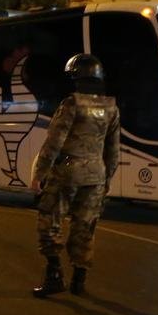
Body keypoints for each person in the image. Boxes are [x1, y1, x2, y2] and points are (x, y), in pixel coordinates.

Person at [30, 53, 120, 297]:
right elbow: (113, 151)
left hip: (67, 172)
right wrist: (106, 180)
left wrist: (39, 174)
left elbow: (54, 142)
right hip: (96, 177)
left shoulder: (72, 103)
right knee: (85, 226)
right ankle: (79, 281)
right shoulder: (111, 107)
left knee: (50, 221)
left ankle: (54, 275)